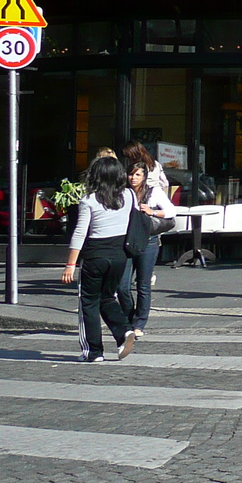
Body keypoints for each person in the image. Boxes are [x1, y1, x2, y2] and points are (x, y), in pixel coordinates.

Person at [61, 155, 138, 363]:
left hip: (95, 255)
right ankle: (124, 331)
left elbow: (80, 233)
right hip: (119, 255)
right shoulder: (129, 195)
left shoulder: (89, 200)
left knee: (88, 302)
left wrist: (70, 264)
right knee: (107, 297)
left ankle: (93, 351)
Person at [119, 159, 175, 340]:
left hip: (148, 241)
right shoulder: (122, 192)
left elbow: (171, 211)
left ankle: (139, 323)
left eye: (137, 174)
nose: (133, 178)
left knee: (143, 285)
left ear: (144, 177)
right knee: (122, 287)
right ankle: (129, 319)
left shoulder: (153, 192)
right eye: (131, 174)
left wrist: (152, 212)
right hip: (126, 242)